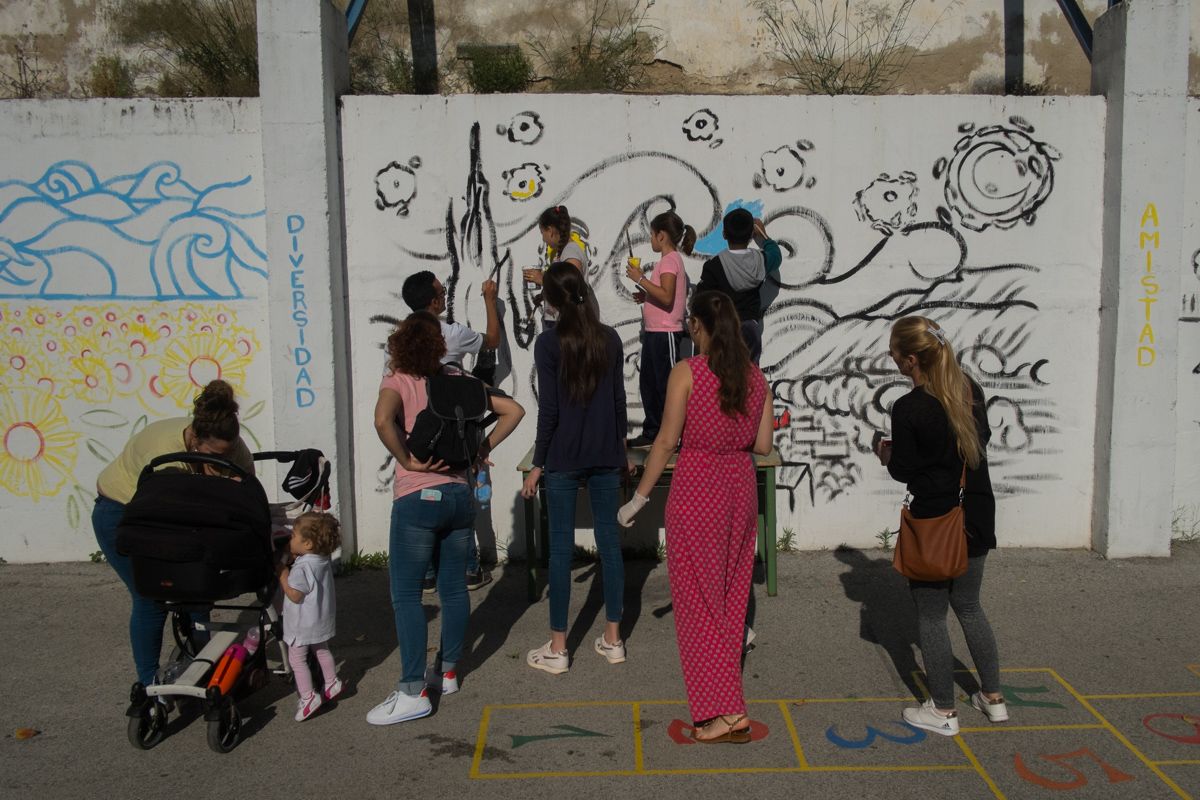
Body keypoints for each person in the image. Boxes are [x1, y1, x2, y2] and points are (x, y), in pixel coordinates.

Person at [617, 290, 774, 742]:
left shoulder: (687, 372)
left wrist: (638, 500)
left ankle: (726, 711)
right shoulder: (756, 378)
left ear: (700, 327)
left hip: (698, 488)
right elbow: (762, 446)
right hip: (740, 490)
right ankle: (727, 703)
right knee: (728, 599)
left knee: (698, 606)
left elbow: (665, 442)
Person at [368, 311, 524, 725]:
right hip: (460, 497)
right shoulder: (461, 382)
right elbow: (515, 411)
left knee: (407, 595)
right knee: (454, 589)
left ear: (400, 344)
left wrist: (407, 458)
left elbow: (383, 420)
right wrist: (477, 452)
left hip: (418, 498)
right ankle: (449, 671)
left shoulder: (397, 379)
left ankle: (412, 688)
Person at [874, 315, 1006, 736]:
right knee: (969, 606)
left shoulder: (910, 407)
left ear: (912, 360)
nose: (893, 360)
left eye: (895, 353)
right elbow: (972, 445)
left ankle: (944, 710)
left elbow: (906, 470)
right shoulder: (970, 390)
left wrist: (886, 454)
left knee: (931, 615)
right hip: (977, 511)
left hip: (936, 519)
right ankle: (993, 698)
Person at [93, 378, 253, 688]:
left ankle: (202, 669)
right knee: (151, 597)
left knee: (197, 592)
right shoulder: (165, 454)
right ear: (195, 440)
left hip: (176, 515)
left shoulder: (230, 444)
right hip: (121, 511)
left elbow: (245, 489)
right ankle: (150, 686)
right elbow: (173, 514)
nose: (222, 459)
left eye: (227, 452)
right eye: (214, 454)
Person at [520, 262, 628, 675]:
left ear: (550, 300)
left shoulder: (549, 344)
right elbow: (619, 402)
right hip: (605, 455)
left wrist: (538, 463)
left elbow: (549, 411)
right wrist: (620, 452)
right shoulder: (610, 339)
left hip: (563, 458)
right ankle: (614, 640)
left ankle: (559, 648)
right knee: (610, 545)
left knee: (560, 549)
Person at [401, 269, 502, 592]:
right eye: (442, 293)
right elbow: (491, 341)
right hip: (451, 427)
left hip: (416, 431)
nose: (445, 296)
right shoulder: (452, 333)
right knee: (459, 491)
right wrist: (490, 301)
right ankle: (470, 568)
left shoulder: (402, 339)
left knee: (424, 497)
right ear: (433, 302)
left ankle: (428, 573)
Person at [625, 210, 696, 449]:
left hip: (665, 332)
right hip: (655, 332)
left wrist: (640, 278)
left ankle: (672, 434)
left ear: (662, 235)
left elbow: (666, 297)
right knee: (650, 385)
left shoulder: (669, 261)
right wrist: (646, 295)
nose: (651, 240)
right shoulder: (670, 261)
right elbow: (665, 296)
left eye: (653, 235)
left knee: (667, 386)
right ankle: (653, 430)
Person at [279, 511, 343, 722]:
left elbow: (295, 595)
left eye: (293, 535)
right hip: (320, 619)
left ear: (307, 544)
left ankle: (308, 697)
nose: (290, 538)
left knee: (296, 659)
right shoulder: (321, 559)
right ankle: (331, 681)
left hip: (302, 624)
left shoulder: (302, 567)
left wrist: (282, 573)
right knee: (322, 650)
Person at [695, 209, 781, 364]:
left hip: (723, 329)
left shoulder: (714, 266)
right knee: (750, 377)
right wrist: (763, 235)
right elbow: (776, 255)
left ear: (724, 235)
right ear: (751, 235)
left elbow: (701, 301)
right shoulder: (760, 260)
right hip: (751, 330)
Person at [522, 205, 590, 328]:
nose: (543, 238)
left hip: (567, 326)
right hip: (560, 323)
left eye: (542, 233)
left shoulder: (571, 253)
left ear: (550, 230)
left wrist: (543, 280)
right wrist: (545, 295)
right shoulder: (564, 252)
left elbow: (571, 287)